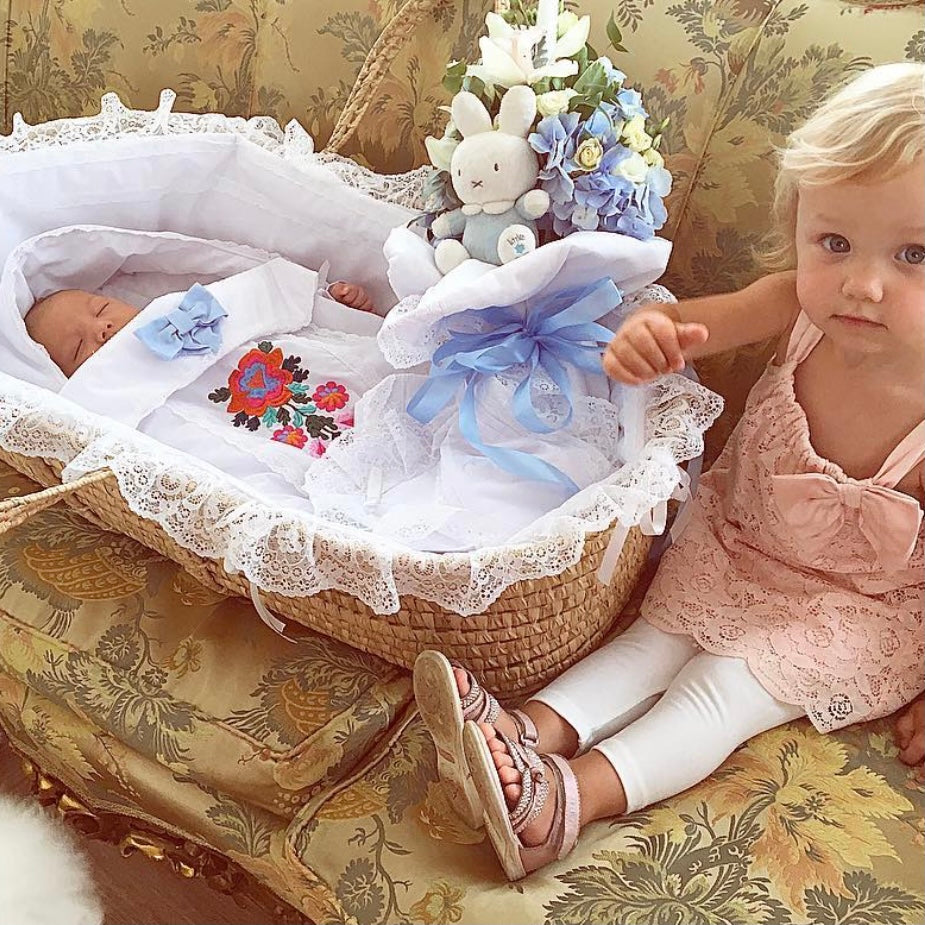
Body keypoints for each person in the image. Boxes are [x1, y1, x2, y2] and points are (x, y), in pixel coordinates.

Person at [413, 61, 925, 880]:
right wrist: (649, 335)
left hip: (859, 607)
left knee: (722, 683)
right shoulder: (792, 302)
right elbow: (685, 326)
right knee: (656, 637)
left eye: (914, 254)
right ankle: (522, 734)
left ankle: (564, 803)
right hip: (735, 543)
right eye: (834, 242)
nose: (861, 284)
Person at [24, 281, 375, 377]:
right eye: (79, 347)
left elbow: (257, 299)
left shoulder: (183, 306)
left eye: (100, 310)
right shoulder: (113, 394)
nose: (101, 329)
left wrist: (328, 307)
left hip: (293, 358)